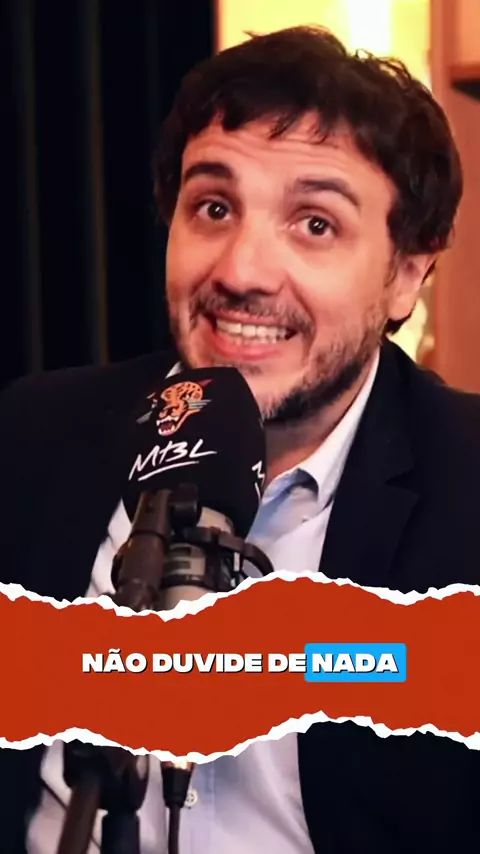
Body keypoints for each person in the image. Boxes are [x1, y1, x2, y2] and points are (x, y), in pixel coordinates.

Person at [1, 24, 480, 854]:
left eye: (315, 224)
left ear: (407, 272)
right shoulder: (36, 434)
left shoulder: (467, 486)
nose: (241, 271)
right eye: (214, 208)